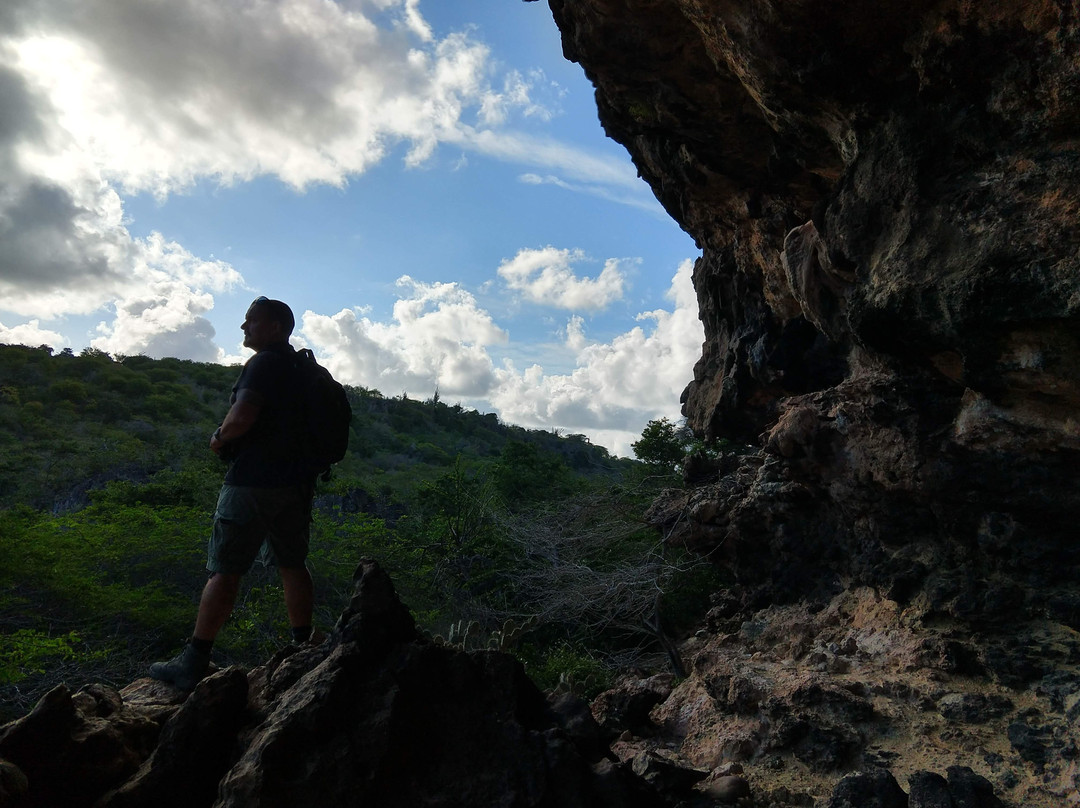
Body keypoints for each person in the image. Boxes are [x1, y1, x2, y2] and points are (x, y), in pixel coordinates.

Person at [150, 297, 316, 689]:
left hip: (253, 482)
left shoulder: (263, 364)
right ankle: (304, 646)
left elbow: (242, 417)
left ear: (275, 327)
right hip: (297, 485)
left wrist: (218, 438)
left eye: (251, 321)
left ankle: (194, 660)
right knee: (292, 563)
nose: (244, 328)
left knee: (224, 569)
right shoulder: (305, 369)